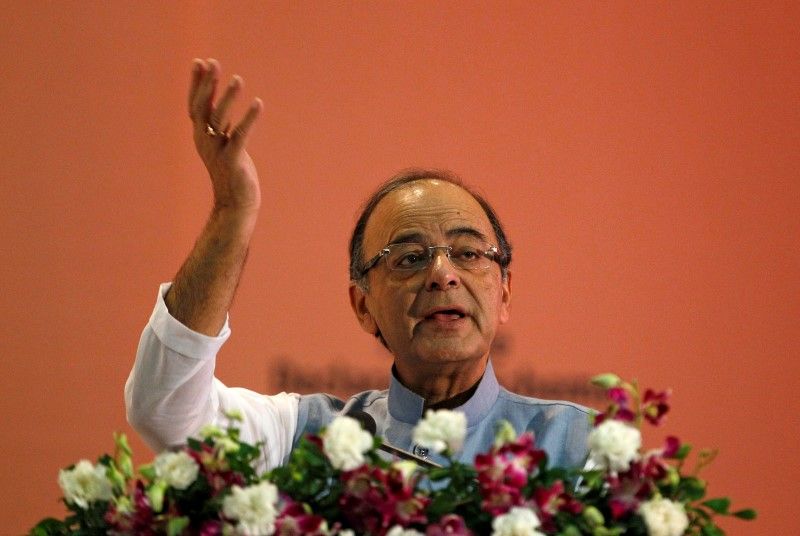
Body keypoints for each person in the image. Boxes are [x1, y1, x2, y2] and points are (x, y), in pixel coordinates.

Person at [126, 58, 591, 471]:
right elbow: (165, 409)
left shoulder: (582, 448)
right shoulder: (302, 439)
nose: (443, 274)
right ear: (362, 305)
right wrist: (232, 210)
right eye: (409, 258)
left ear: (504, 291)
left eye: (468, 253)